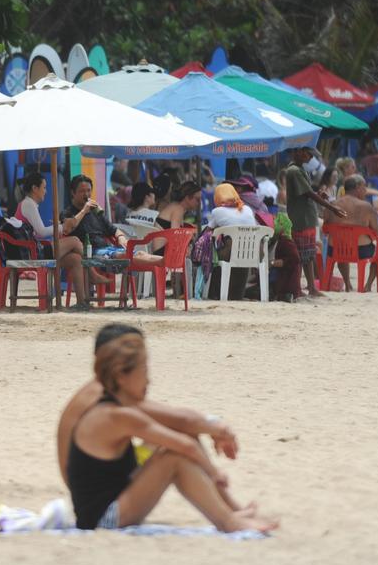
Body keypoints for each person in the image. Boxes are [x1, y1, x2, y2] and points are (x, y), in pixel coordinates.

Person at [60, 324, 276, 533]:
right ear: (120, 374)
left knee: (179, 443)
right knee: (175, 458)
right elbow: (183, 430)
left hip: (109, 490)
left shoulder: (111, 398)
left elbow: (181, 425)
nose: (149, 379)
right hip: (103, 517)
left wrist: (214, 428)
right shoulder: (110, 408)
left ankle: (232, 510)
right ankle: (228, 521)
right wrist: (215, 470)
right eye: (143, 369)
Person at [17, 173, 88, 310]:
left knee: (75, 259)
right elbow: (41, 232)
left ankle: (81, 302)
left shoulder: (29, 204)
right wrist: (61, 227)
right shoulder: (28, 204)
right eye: (44, 187)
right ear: (35, 188)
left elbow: (38, 231)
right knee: (74, 240)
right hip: (32, 253)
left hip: (33, 249)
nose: (46, 191)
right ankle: (93, 273)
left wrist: (59, 226)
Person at [284, 147, 347, 298]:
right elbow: (308, 193)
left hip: (306, 217)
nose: (310, 158)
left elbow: (307, 193)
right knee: (302, 254)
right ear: (299, 152)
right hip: (301, 218)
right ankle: (303, 287)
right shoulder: (294, 171)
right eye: (309, 154)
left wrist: (319, 195)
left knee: (308, 254)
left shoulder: (300, 169)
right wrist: (331, 207)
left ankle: (311, 287)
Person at [322, 175, 378, 292]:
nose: (366, 191)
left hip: (335, 249)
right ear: (357, 187)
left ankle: (348, 284)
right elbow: (376, 232)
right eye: (364, 187)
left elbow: (324, 229)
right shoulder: (366, 206)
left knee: (342, 248)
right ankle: (367, 286)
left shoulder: (332, 205)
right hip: (362, 251)